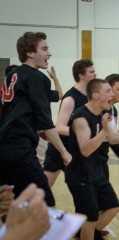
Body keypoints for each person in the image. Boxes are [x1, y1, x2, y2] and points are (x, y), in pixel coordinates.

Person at [65, 78, 119, 240]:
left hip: (96, 173)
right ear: (95, 95)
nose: (112, 94)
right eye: (108, 91)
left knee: (113, 207)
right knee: (90, 219)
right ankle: (83, 234)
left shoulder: (104, 114)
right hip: (80, 176)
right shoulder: (81, 117)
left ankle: (79, 234)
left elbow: (113, 139)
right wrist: (104, 131)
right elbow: (86, 150)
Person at [0, 32, 72, 207]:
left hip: (4, 148)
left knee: (12, 202)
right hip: (20, 150)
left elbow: (14, 113)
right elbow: (45, 120)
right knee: (44, 201)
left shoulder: (13, 75)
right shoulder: (37, 77)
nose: (50, 53)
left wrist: (34, 129)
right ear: (30, 53)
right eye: (45, 48)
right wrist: (63, 151)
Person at [44, 59, 96, 188]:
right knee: (44, 188)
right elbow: (59, 127)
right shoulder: (70, 98)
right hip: (60, 149)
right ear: (81, 76)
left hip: (76, 150)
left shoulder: (89, 97)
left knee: (84, 190)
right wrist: (83, 134)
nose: (95, 74)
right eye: (92, 72)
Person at [101, 73, 119, 180]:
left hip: (102, 160)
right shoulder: (99, 109)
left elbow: (112, 140)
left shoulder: (113, 111)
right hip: (89, 163)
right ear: (109, 90)